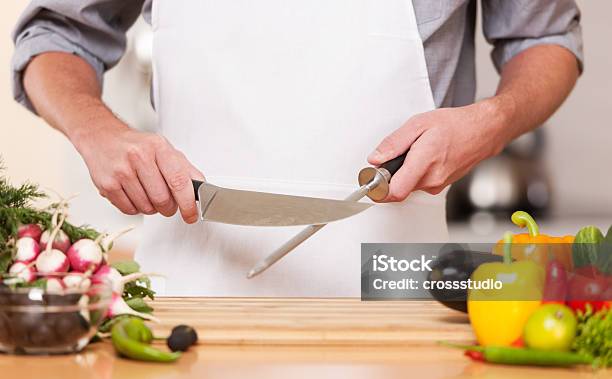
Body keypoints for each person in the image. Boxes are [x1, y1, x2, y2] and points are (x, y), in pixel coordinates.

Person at [11, 1, 582, 296]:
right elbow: (55, 36)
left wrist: (492, 120)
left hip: (393, 284)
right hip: (189, 293)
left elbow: (546, 37)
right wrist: (98, 131)